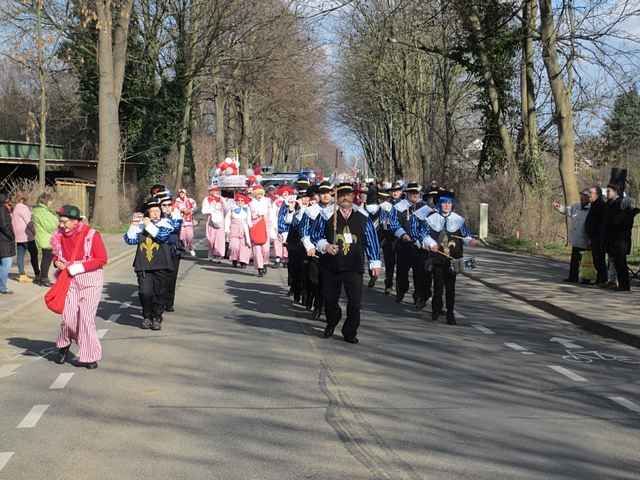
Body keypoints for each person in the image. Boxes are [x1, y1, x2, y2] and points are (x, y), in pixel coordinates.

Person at [310, 183, 381, 344]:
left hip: (354, 266)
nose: (345, 197)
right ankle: (332, 320)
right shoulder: (326, 215)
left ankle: (350, 331)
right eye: (342, 194)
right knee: (329, 299)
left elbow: (371, 240)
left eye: (348, 194)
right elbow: (314, 235)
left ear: (353, 196)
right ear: (337, 196)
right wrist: (326, 246)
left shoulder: (363, 216)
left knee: (355, 302)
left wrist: (374, 262)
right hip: (331, 265)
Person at [53, 205, 108, 369]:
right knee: (68, 317)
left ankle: (90, 356)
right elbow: (56, 255)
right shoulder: (59, 236)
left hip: (90, 281)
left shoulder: (92, 235)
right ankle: (64, 343)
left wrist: (79, 267)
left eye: (65, 222)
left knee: (85, 318)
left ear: (76, 221)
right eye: (60, 222)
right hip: (70, 280)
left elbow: (102, 259)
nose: (62, 225)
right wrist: (56, 262)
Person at [411, 193, 477, 324]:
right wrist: (431, 244)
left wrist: (470, 241)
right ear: (440, 204)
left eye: (449, 203)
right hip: (437, 258)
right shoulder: (431, 219)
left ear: (452, 205)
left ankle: (450, 314)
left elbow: (465, 235)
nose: (446, 206)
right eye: (444, 203)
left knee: (451, 288)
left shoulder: (458, 220)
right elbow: (423, 234)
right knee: (438, 286)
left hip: (454, 258)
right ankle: (436, 310)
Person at [124, 198, 175, 330]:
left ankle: (157, 317)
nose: (155, 213)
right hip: (144, 265)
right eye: (152, 211)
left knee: (159, 293)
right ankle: (147, 316)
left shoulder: (167, 223)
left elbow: (162, 236)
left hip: (162, 264)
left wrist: (148, 225)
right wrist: (134, 224)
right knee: (144, 292)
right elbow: (130, 240)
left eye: (157, 210)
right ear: (147, 213)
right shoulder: (141, 225)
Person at [389, 182, 432, 309]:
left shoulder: (425, 208)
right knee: (402, 272)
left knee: (420, 273)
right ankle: (401, 290)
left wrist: (424, 239)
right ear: (406, 193)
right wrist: (402, 234)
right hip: (404, 245)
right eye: (411, 192)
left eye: (416, 192)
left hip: (420, 246)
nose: (414, 195)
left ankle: (419, 296)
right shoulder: (398, 207)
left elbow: (430, 225)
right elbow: (393, 222)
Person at [603, 183, 638, 292]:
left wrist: (618, 217)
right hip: (612, 239)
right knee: (614, 262)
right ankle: (615, 283)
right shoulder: (610, 203)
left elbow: (622, 223)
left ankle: (624, 286)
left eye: (609, 191)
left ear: (615, 192)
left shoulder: (622, 206)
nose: (607, 193)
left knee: (621, 263)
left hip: (621, 240)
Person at [553, 190, 591, 284]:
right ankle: (573, 277)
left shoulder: (591, 209)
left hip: (586, 239)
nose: (582, 198)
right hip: (576, 238)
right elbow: (566, 210)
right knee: (574, 260)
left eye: (585, 197)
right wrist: (558, 207)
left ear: (589, 198)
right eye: (581, 196)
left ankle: (587, 278)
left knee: (586, 261)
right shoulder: (576, 206)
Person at [157, 192, 183, 312]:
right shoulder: (156, 217)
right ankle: (159, 302)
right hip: (159, 251)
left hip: (173, 250)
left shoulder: (176, 216)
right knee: (160, 278)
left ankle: (169, 302)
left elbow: (175, 227)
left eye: (169, 204)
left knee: (171, 277)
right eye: (164, 205)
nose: (167, 207)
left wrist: (167, 218)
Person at [31, 193, 59, 287]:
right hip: (47, 238)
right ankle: (44, 278)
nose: (51, 203)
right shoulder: (43, 212)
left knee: (45, 258)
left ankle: (42, 277)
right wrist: (57, 222)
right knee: (47, 259)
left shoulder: (39, 210)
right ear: (46, 201)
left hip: (43, 237)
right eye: (50, 201)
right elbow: (50, 226)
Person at [11, 193, 40, 283]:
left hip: (18, 235)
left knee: (20, 255)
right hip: (26, 236)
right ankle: (37, 274)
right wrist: (34, 231)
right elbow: (29, 222)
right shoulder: (23, 208)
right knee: (34, 253)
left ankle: (22, 275)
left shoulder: (15, 208)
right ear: (23, 200)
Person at [584, 186, 608, 286]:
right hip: (593, 237)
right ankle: (600, 279)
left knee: (599, 259)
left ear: (597, 194)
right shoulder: (593, 204)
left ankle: (602, 279)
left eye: (591, 192)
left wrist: (596, 236)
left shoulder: (601, 205)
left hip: (598, 237)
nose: (589, 194)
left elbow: (601, 223)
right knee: (596, 259)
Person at [249, 184, 272, 277]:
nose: (259, 195)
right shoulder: (251, 203)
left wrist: (273, 227)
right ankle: (260, 267)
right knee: (257, 249)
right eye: (257, 194)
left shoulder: (267, 201)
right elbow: (249, 216)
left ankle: (265, 262)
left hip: (266, 226)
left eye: (260, 194)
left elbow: (271, 214)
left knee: (265, 249)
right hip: (255, 226)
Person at [225, 192, 252, 269]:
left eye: (242, 200)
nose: (240, 202)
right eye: (239, 200)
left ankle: (243, 261)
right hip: (234, 229)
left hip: (244, 230)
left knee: (244, 246)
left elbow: (249, 220)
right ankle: (234, 258)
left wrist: (251, 228)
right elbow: (227, 219)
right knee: (234, 246)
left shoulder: (247, 209)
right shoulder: (232, 208)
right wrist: (227, 229)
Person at [201, 185, 227, 262]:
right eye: (212, 190)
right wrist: (212, 209)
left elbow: (226, 209)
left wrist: (221, 203)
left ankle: (219, 255)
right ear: (210, 191)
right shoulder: (206, 199)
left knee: (219, 239)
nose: (215, 192)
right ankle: (211, 254)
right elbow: (204, 210)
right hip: (211, 220)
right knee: (210, 238)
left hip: (220, 221)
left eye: (216, 191)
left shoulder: (221, 199)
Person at [175, 188, 197, 257]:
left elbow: (195, 208)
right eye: (180, 193)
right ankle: (183, 249)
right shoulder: (177, 201)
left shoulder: (190, 200)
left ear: (185, 193)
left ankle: (190, 248)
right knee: (182, 238)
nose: (181, 194)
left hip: (189, 221)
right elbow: (175, 209)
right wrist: (181, 210)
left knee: (190, 237)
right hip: (181, 222)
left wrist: (190, 210)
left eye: (183, 193)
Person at [0, 194, 15, 294]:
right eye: (8, 199)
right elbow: (4, 225)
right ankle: (2, 287)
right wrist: (11, 236)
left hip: (3, 240)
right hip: (4, 241)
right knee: (6, 264)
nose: (9, 201)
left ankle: (2, 286)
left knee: (2, 265)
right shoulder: (2, 209)